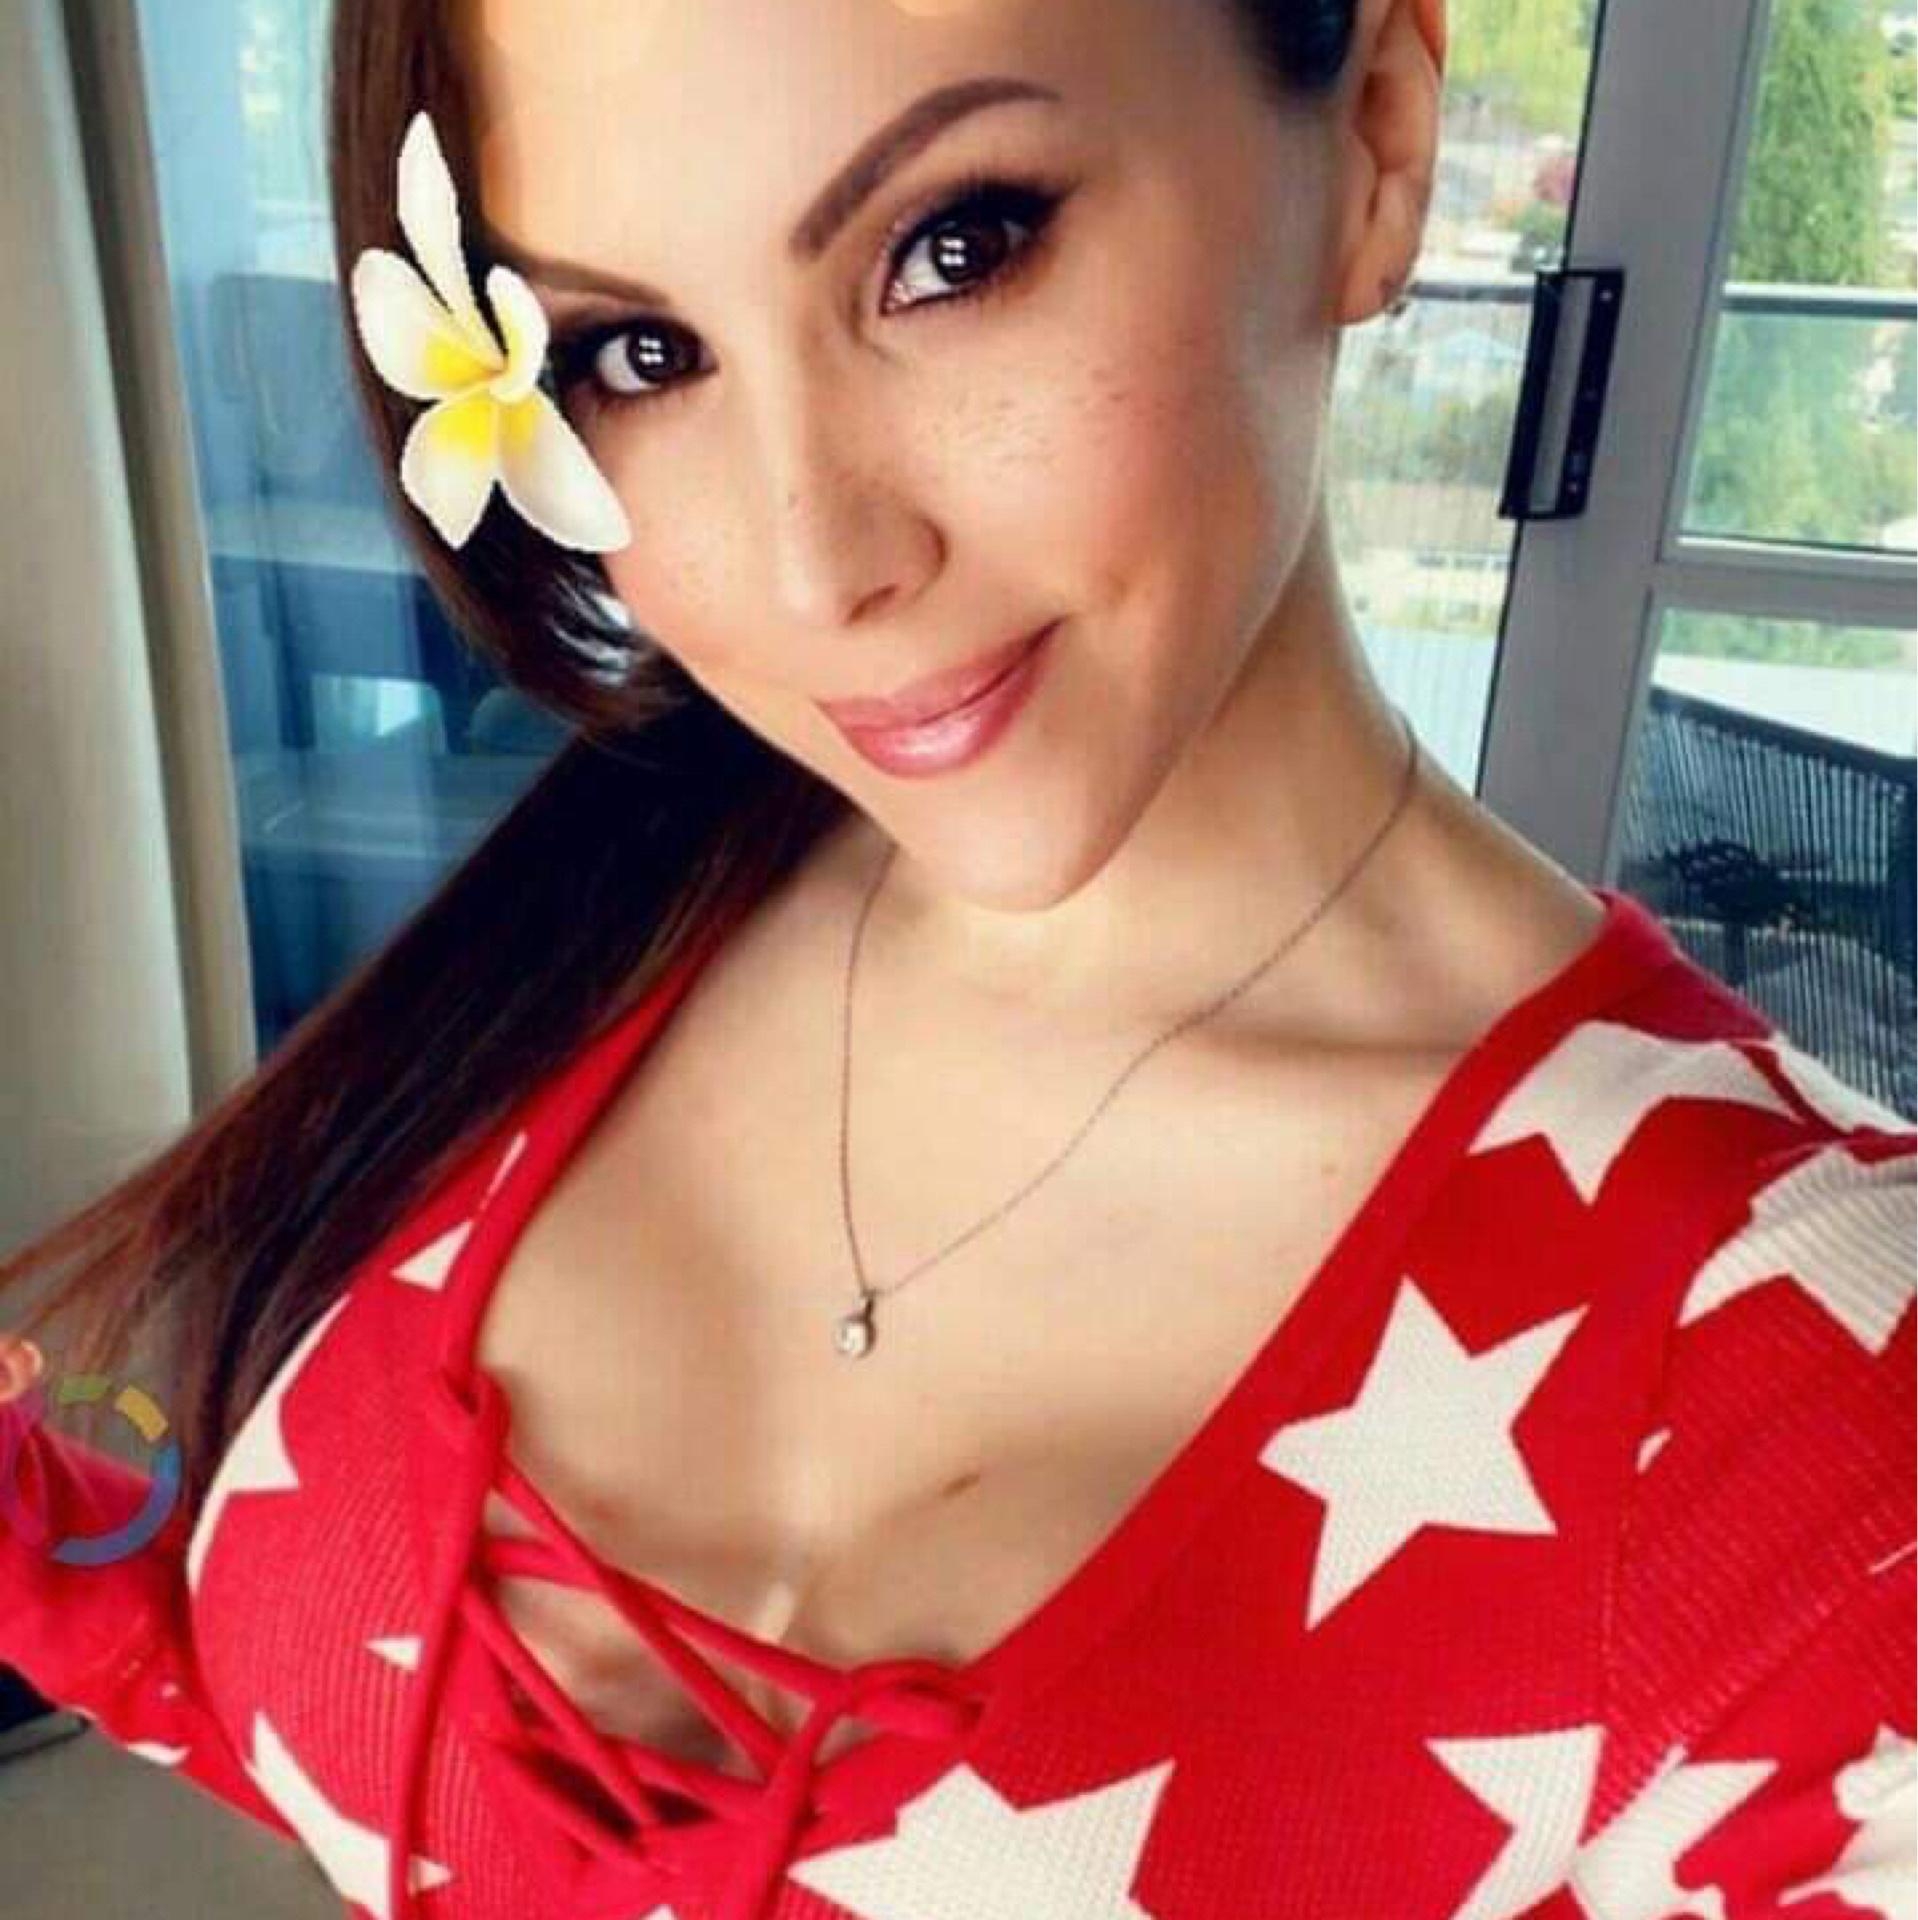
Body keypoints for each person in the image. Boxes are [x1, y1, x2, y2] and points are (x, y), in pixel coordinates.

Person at [2, 1, 1911, 1916]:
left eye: (954, 248)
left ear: (1378, 145)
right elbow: (237, 1626)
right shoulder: (592, 918)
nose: (812, 567)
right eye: (635, 355)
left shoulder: (1817, 1436)